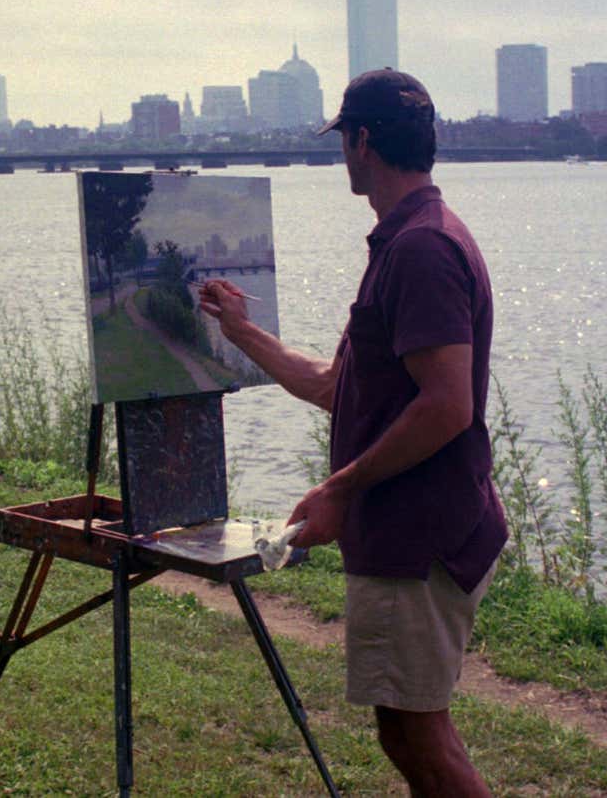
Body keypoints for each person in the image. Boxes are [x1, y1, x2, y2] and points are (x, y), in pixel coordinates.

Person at [200, 69, 505, 796]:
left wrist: (341, 486)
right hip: (410, 532)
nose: (343, 156)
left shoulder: (422, 250)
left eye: (344, 140)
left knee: (419, 737)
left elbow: (446, 405)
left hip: (417, 538)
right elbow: (340, 387)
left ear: (364, 142)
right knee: (407, 729)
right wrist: (245, 334)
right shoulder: (407, 241)